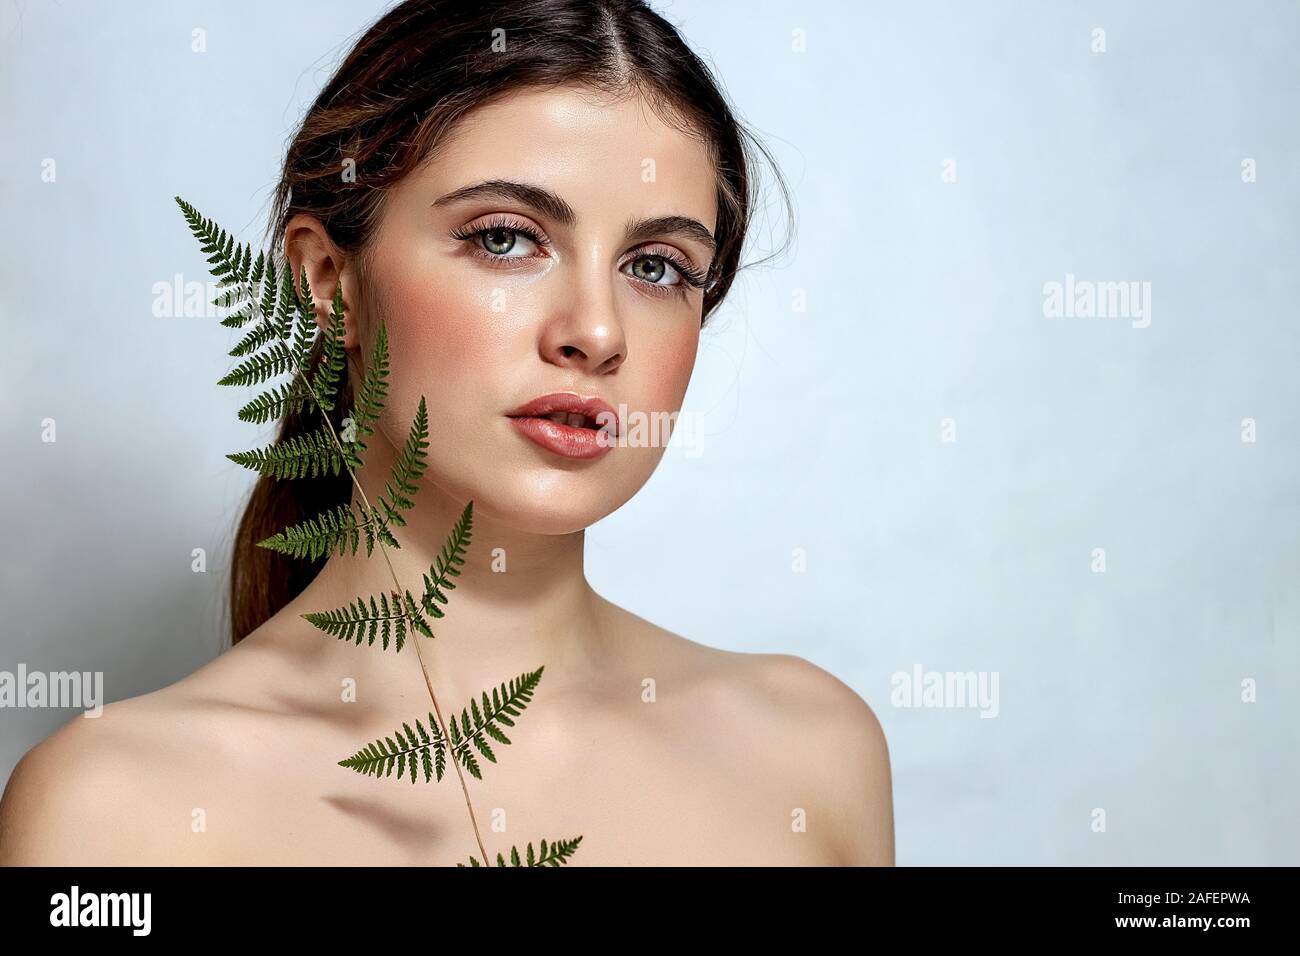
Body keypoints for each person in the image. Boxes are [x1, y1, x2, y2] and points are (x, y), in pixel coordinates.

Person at [0, 0, 893, 866]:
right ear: (328, 280)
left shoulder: (810, 756)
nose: (598, 329)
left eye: (656, 266)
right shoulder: (110, 812)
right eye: (507, 239)